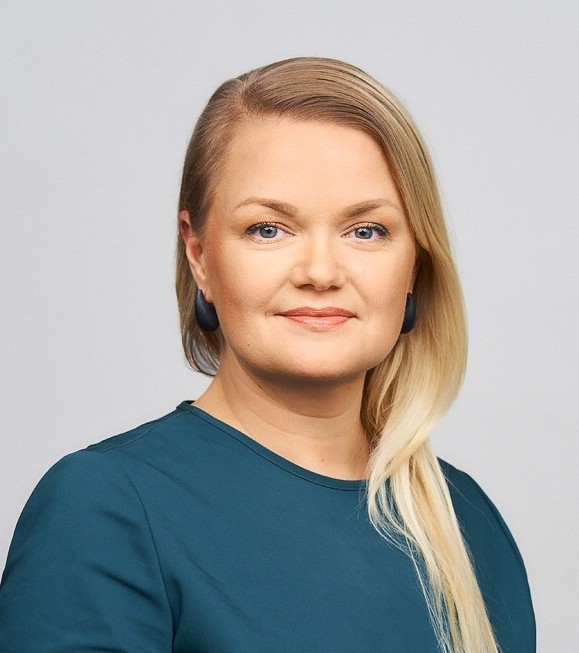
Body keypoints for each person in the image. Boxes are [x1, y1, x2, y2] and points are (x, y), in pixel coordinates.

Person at [0, 57, 535, 653]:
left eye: (366, 231)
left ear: (415, 264)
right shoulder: (104, 508)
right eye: (268, 229)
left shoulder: (467, 522)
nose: (320, 272)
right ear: (200, 255)